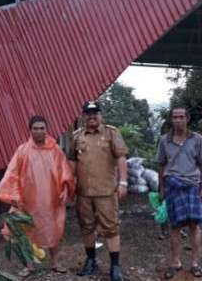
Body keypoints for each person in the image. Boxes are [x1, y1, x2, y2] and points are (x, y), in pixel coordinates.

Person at [0, 115, 75, 277]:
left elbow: (65, 172)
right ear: (30, 130)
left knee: (54, 230)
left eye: (42, 128)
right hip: (27, 199)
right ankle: (29, 265)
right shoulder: (22, 150)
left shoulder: (55, 150)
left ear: (47, 130)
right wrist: (14, 196)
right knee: (25, 231)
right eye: (36, 128)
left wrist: (66, 189)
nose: (39, 131)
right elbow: (12, 174)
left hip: (50, 199)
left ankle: (55, 263)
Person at [68, 101, 129, 281]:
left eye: (95, 113)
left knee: (111, 228)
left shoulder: (111, 133)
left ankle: (115, 266)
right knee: (86, 227)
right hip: (83, 193)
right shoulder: (77, 136)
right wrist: (70, 184)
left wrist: (123, 182)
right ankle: (91, 260)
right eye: (88, 113)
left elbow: (121, 157)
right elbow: (72, 161)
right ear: (83, 116)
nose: (91, 116)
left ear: (100, 115)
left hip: (106, 192)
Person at [156, 107, 202, 279]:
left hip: (193, 185)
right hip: (172, 184)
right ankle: (176, 262)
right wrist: (161, 188)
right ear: (171, 120)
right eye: (175, 117)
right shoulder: (165, 140)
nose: (178, 120)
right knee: (175, 226)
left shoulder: (197, 139)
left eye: (181, 117)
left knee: (194, 225)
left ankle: (194, 263)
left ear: (187, 119)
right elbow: (161, 165)